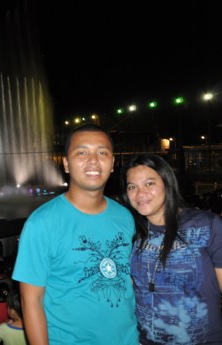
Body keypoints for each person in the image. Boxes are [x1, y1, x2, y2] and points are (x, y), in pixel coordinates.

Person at [12, 123, 139, 345]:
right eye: (82, 152)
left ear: (112, 164)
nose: (93, 160)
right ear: (66, 163)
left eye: (102, 152)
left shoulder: (125, 216)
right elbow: (31, 299)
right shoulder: (41, 223)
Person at [120, 153, 222, 344]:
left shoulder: (206, 225)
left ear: (167, 183)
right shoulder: (131, 232)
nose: (140, 193)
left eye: (149, 183)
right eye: (132, 187)